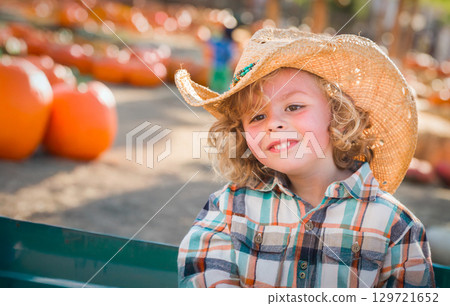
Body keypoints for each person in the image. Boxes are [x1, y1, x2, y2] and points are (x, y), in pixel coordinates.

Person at [174, 28, 435, 288]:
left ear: (339, 117)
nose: (274, 123)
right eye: (257, 116)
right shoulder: (228, 209)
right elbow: (204, 281)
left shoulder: (394, 225)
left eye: (294, 107)